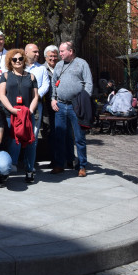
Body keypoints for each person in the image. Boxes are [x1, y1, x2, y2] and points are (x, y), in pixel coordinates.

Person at [51, 41, 93, 177]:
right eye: (60, 51)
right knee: (59, 136)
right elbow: (54, 83)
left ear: (71, 51)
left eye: (62, 51)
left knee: (79, 137)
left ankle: (82, 166)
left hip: (76, 105)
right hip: (61, 105)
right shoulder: (58, 65)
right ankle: (59, 164)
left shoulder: (82, 63)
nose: (60, 54)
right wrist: (53, 99)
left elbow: (89, 83)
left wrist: (84, 101)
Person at [0, 48, 39, 183]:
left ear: (24, 60)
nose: (18, 61)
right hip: (10, 115)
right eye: (14, 59)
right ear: (10, 61)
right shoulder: (5, 76)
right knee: (12, 141)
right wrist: (11, 109)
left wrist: (30, 111)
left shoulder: (31, 76)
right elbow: (1, 95)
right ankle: (8, 169)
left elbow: (35, 96)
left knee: (30, 142)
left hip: (26, 115)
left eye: (20, 59)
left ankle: (29, 170)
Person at [24, 43, 50, 144]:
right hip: (22, 103)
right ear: (26, 52)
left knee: (34, 132)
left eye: (38, 52)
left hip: (37, 104)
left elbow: (46, 85)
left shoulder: (41, 68)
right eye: (35, 52)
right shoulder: (19, 67)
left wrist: (36, 95)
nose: (38, 54)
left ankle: (31, 159)